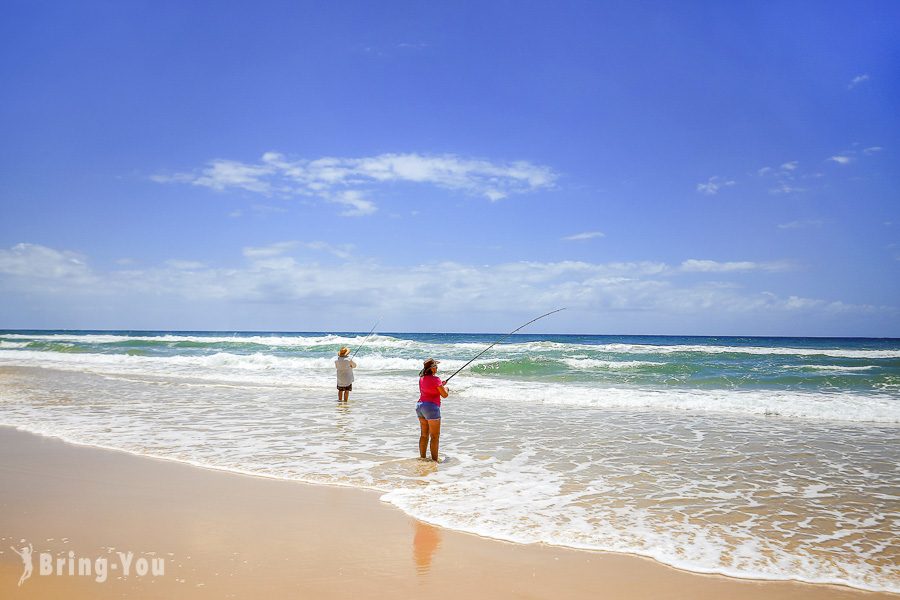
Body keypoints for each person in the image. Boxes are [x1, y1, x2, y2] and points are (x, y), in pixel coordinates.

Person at [417, 358, 448, 462]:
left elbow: (428, 389)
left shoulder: (421, 378)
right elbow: (444, 395)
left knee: (424, 435)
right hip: (431, 408)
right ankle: (435, 461)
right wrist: (446, 388)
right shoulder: (436, 380)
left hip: (420, 406)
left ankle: (422, 457)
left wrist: (440, 386)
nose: (437, 368)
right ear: (432, 368)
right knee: (434, 436)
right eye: (436, 366)